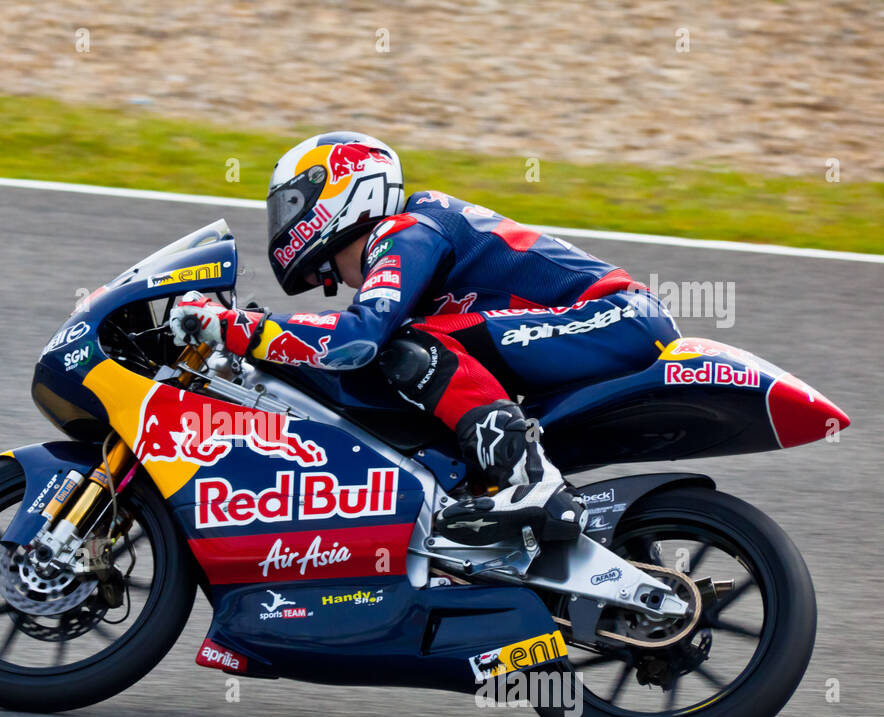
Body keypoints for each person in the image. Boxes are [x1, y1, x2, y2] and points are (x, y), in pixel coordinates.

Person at [167, 131, 680, 545]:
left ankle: (531, 483)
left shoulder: (406, 229)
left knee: (411, 349)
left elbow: (357, 340)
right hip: (595, 325)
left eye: (294, 204)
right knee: (412, 360)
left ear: (340, 189)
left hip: (616, 316)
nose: (286, 223)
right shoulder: (411, 234)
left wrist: (235, 327)